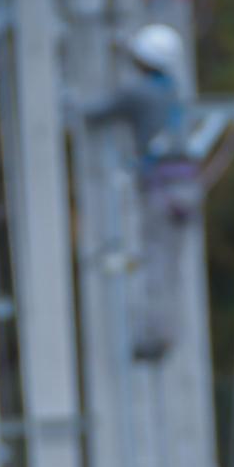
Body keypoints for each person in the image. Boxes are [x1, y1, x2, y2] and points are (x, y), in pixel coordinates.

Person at [84, 23, 199, 363]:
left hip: (161, 190)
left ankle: (155, 337)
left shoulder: (139, 94)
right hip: (184, 186)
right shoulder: (173, 89)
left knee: (157, 263)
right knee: (171, 266)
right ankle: (165, 334)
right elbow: (141, 74)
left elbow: (97, 111)